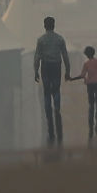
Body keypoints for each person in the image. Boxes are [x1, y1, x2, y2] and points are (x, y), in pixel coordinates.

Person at [34, 16, 70, 146]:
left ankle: (48, 111)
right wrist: (67, 71)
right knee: (56, 88)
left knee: (46, 91)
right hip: (56, 65)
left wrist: (35, 71)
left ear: (45, 26)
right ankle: (57, 107)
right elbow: (65, 55)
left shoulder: (41, 40)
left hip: (45, 67)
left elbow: (37, 57)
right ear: (54, 25)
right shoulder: (60, 39)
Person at [68, 46, 97, 141]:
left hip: (90, 83)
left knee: (91, 100)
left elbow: (82, 75)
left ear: (86, 54)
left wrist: (72, 79)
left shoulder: (86, 63)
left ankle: (92, 111)